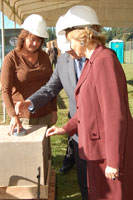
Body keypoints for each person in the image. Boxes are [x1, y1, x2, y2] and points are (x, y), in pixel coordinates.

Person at [46, 5, 133, 200]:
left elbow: (114, 116)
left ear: (84, 36)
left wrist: (113, 160)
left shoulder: (104, 61)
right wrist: (66, 128)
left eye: (71, 41)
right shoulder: (92, 62)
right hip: (96, 152)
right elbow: (87, 109)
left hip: (106, 155)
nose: (68, 47)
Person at [15, 15, 89, 200]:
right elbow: (50, 88)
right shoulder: (63, 60)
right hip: (77, 128)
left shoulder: (100, 58)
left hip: (101, 132)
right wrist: (29, 102)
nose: (70, 52)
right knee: (84, 180)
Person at [1, 14, 57, 135]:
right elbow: (5, 90)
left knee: (44, 150)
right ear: (24, 36)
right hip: (23, 117)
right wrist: (13, 116)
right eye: (32, 39)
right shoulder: (11, 58)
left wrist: (54, 110)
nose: (35, 43)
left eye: (39, 40)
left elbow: (51, 85)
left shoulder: (44, 56)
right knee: (26, 151)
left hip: (45, 113)